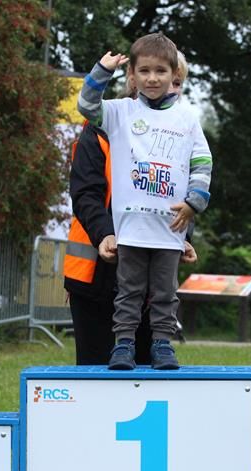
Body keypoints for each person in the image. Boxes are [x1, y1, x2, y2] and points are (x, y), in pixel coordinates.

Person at [76, 33, 212, 371]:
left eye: (161, 71)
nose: (153, 78)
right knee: (129, 291)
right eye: (145, 71)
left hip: (168, 230)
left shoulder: (186, 118)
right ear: (132, 76)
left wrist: (194, 203)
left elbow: (201, 162)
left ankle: (162, 345)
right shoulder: (121, 112)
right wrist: (100, 72)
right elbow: (87, 106)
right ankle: (123, 344)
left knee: (165, 293)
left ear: (174, 75)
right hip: (130, 229)